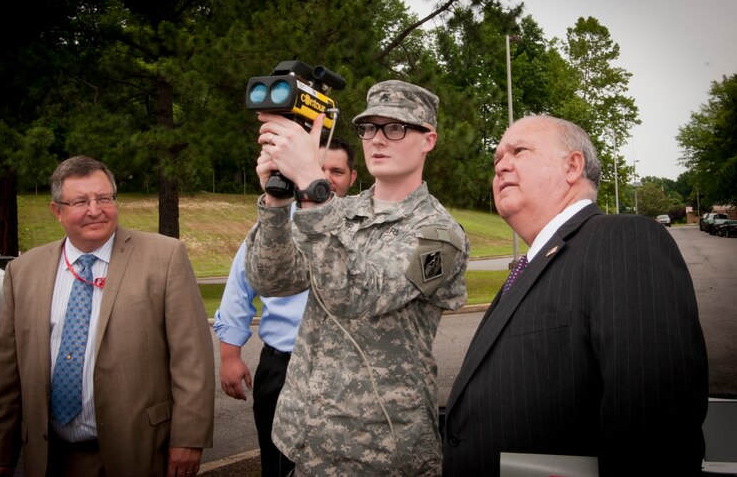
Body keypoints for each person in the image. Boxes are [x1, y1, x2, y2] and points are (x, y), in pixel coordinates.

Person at [443, 115, 709, 476]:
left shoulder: (623, 241)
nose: (502, 164)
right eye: (497, 160)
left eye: (518, 151)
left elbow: (655, 431)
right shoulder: (531, 267)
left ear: (572, 166)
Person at [243, 80, 469, 475]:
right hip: (304, 435)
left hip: (378, 447)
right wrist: (278, 202)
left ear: (428, 140)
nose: (377, 140)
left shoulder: (441, 236)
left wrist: (313, 193)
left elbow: (360, 296)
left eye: (395, 128)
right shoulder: (339, 211)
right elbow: (273, 281)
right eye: (369, 128)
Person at [0, 156, 215, 477]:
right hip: (51, 458)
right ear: (56, 211)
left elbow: (192, 359)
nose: (94, 209)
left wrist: (189, 438)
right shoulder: (23, 272)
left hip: (139, 452)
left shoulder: (164, 257)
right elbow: (6, 377)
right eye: (79, 201)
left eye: (103, 198)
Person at [214, 135, 357, 477]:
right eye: (317, 168)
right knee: (279, 464)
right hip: (282, 368)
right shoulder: (274, 223)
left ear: (352, 177)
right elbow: (240, 284)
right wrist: (230, 356)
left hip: (346, 371)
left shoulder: (363, 226)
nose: (325, 177)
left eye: (336, 170)